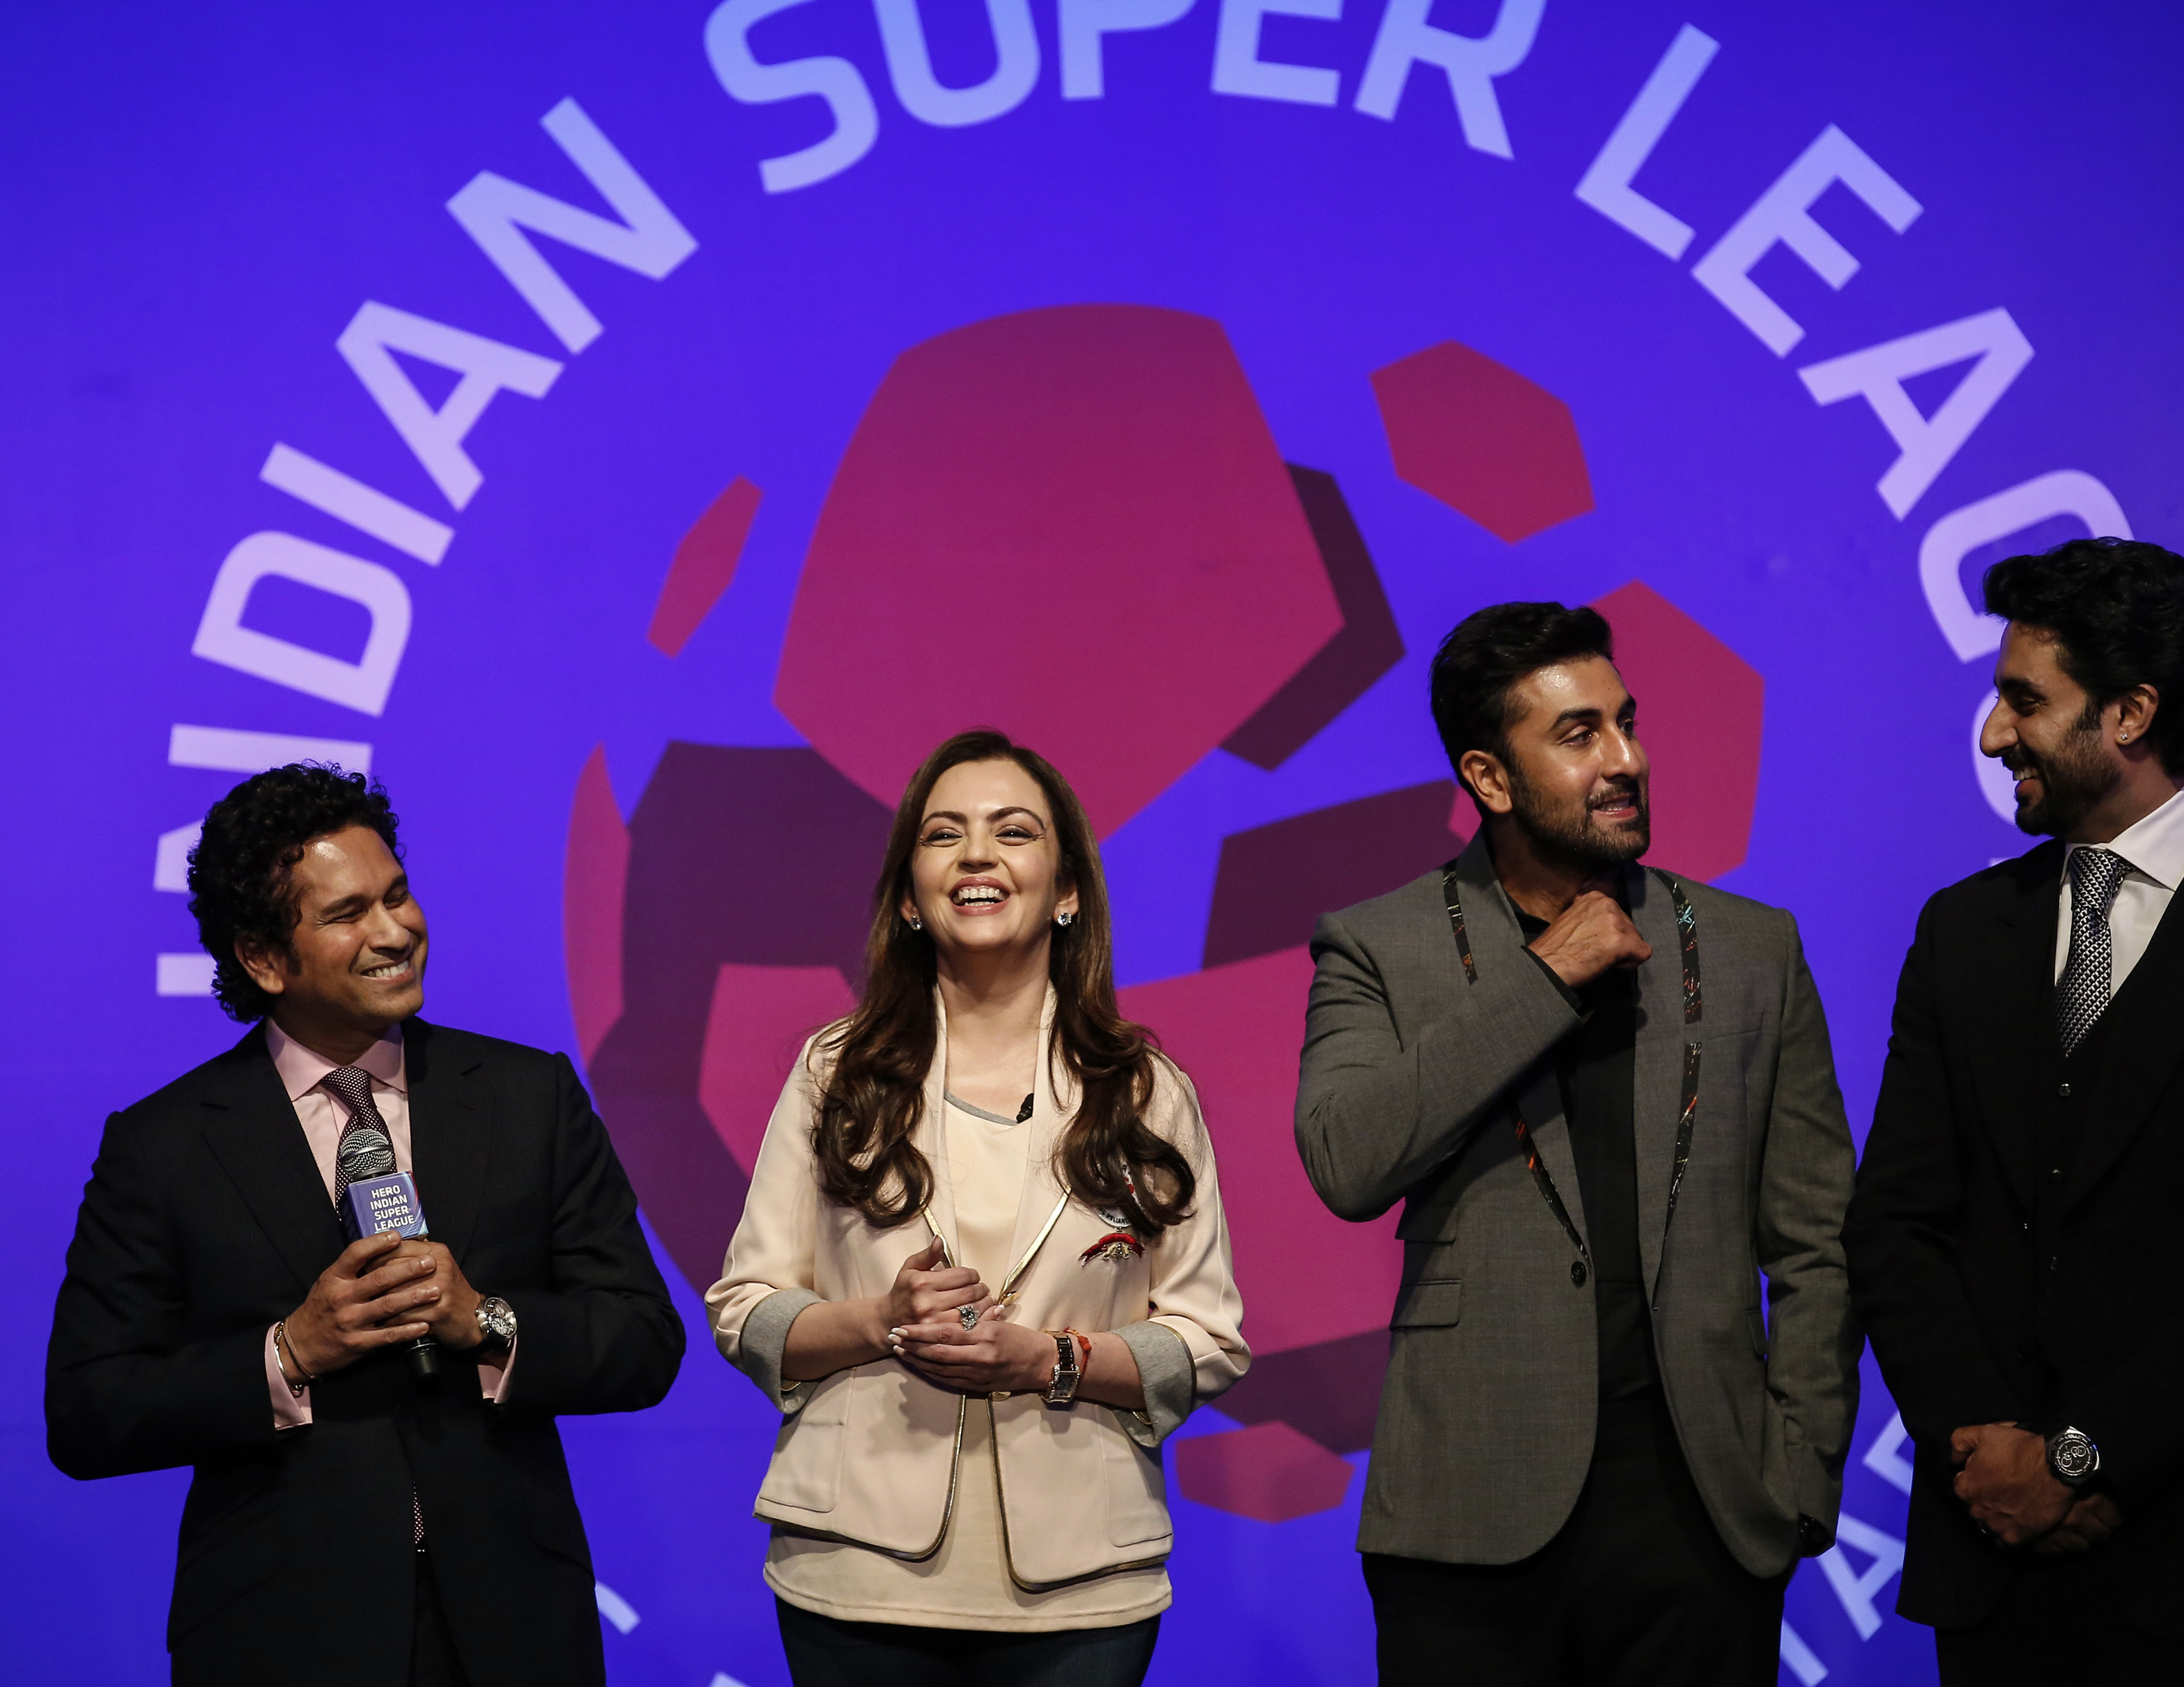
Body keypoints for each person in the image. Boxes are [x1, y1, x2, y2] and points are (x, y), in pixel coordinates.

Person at [1844, 539, 2184, 1685]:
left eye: (2023, 700)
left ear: (2133, 712)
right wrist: (1985, 1457)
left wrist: (2083, 1461)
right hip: (1991, 1562)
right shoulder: (1959, 930)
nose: (1996, 735)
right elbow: (1895, 1224)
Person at [1294, 602, 1859, 1686]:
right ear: (1489, 778)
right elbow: (1347, 1159)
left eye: (1626, 723)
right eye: (1580, 734)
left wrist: (1798, 1472)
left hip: (1705, 1517)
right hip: (1466, 1525)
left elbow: (1817, 1241)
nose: (1627, 759)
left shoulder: (1751, 949)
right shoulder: (1376, 945)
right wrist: (1544, 977)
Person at [45, 764, 684, 1686]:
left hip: (514, 1625)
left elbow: (643, 1337)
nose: (396, 931)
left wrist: (487, 1323)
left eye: (399, 894)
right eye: (349, 913)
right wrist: (288, 1353)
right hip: (282, 1634)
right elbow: (87, 1411)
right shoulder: (165, 1145)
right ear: (265, 958)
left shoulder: (526, 1096)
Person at [708, 727, 1247, 1687]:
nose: (979, 856)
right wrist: (880, 1320)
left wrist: (1051, 1358)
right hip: (856, 1571)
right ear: (911, 897)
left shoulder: (1145, 1087)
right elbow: (745, 1305)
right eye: (945, 834)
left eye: (1014, 831)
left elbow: (1208, 1338)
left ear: (1069, 888)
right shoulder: (836, 1072)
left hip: (1084, 1583)